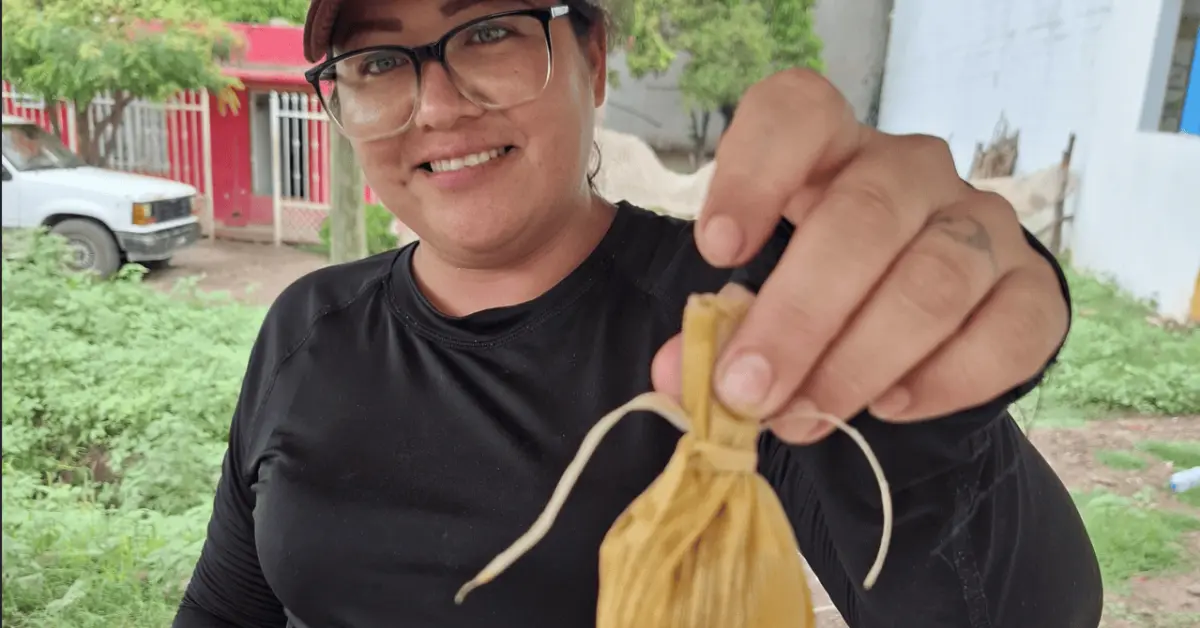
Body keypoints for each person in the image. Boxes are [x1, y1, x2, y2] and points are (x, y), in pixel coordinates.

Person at [173, 0, 1104, 626]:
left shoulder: (739, 320)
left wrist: (932, 410)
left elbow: (1021, 610)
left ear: (593, 56)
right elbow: (226, 609)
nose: (438, 104)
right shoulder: (307, 327)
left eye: (487, 30)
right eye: (379, 60)